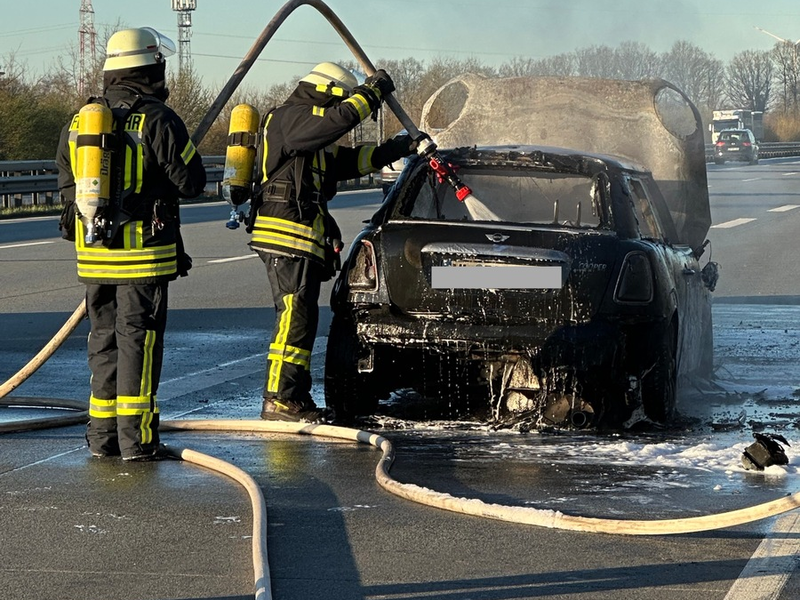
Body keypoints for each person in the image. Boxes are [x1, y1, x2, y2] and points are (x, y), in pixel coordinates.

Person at [56, 27, 206, 460]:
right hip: (142, 258)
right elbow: (192, 182)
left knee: (102, 344)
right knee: (138, 345)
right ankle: (137, 441)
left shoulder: (80, 121)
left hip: (95, 256)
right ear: (150, 67)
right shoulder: (157, 118)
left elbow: (68, 188)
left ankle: (102, 440)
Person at [249, 62, 421, 422]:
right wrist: (371, 93)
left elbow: (348, 161)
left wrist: (396, 147)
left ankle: (292, 396)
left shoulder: (311, 132)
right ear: (327, 93)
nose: (335, 114)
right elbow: (337, 120)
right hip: (286, 237)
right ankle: (280, 399)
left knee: (302, 319)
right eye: (338, 103)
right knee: (293, 319)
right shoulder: (292, 118)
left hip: (301, 239)